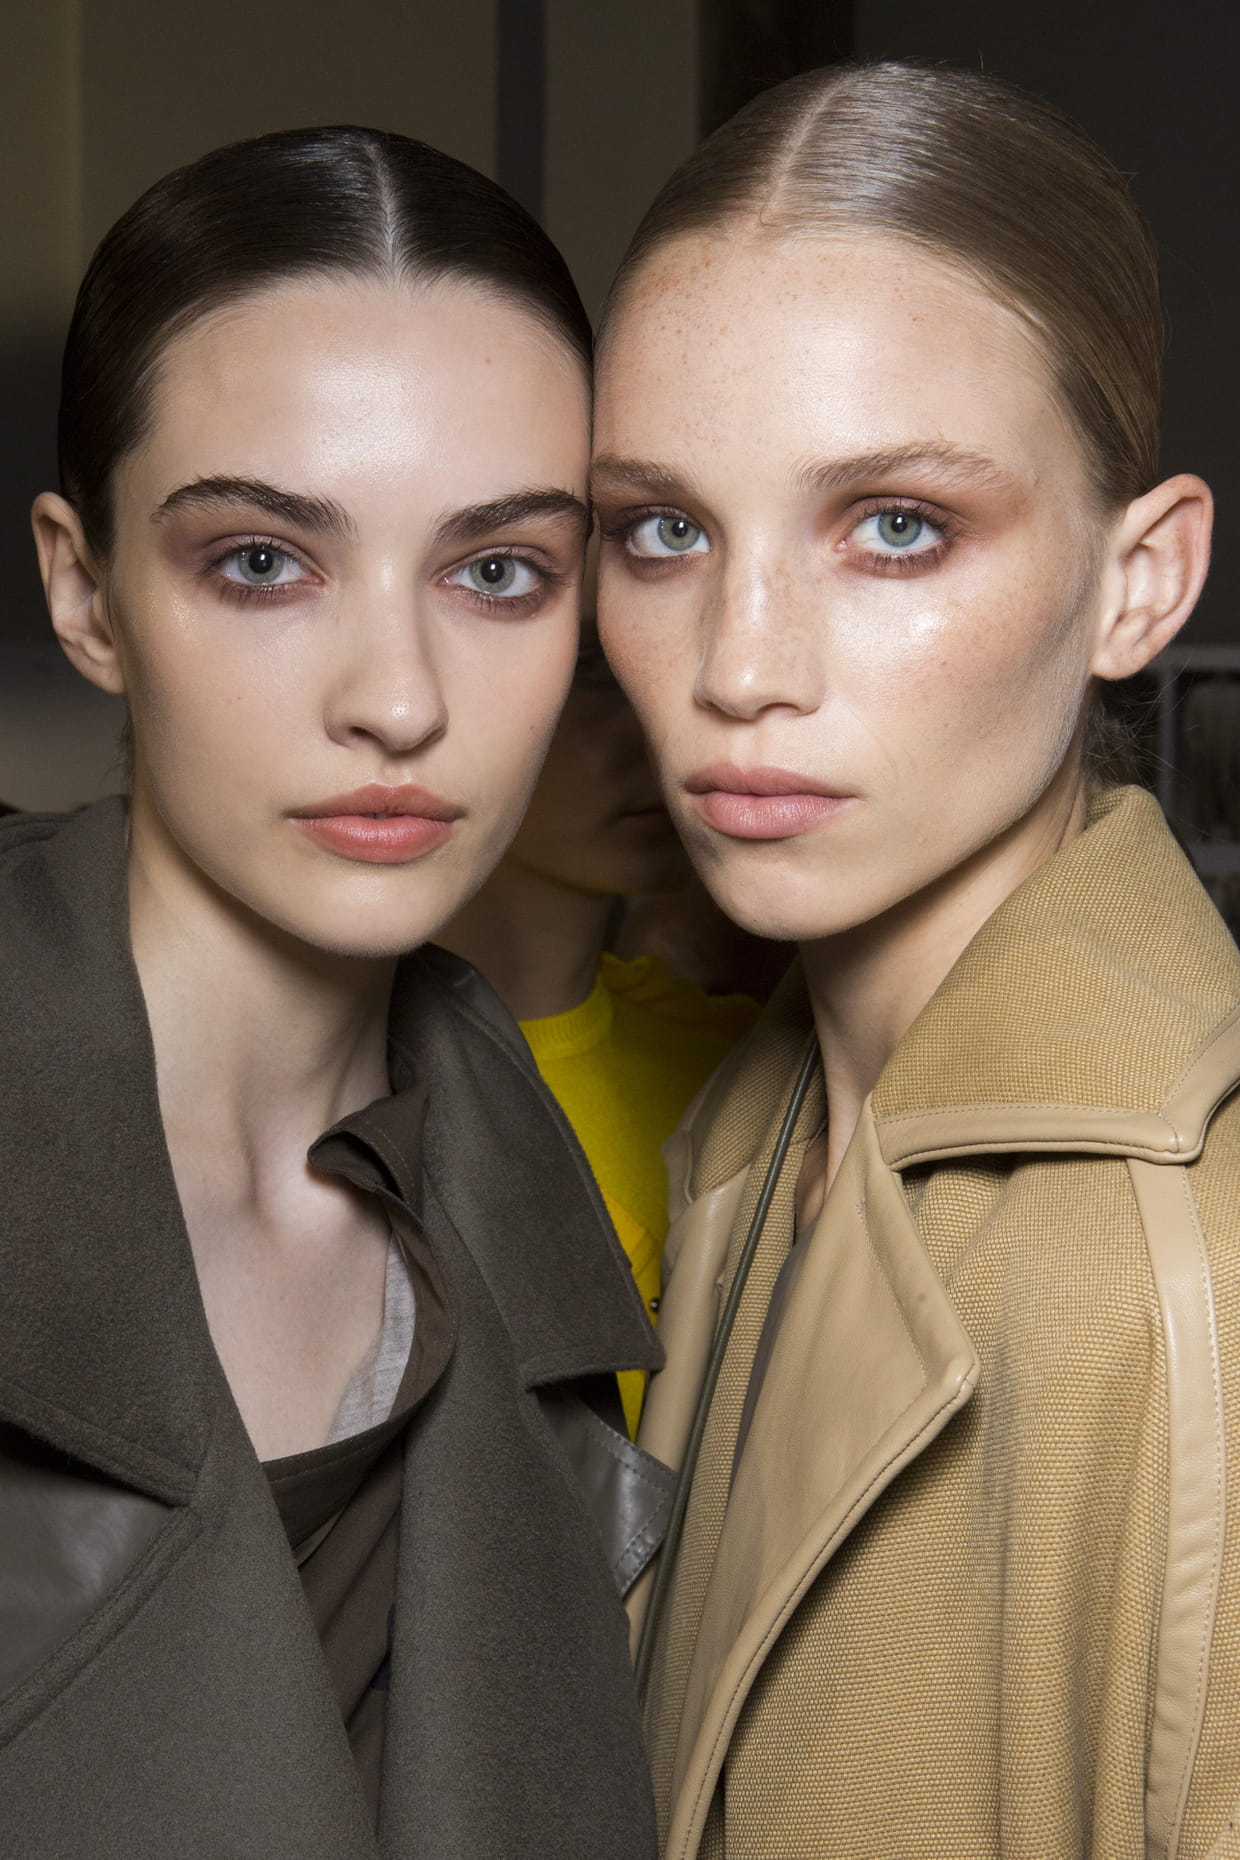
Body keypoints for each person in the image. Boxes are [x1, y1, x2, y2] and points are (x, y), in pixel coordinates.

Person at [592, 61, 1238, 1859]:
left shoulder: (1200, 1274)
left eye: (896, 527)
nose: (739, 665)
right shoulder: (757, 1127)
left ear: (1139, 582)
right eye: (663, 530)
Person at [0, 126, 666, 1858]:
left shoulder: (527, 1217)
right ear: (84, 590)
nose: (398, 697)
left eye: (497, 571)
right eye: (262, 562)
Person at [442, 588, 758, 1434]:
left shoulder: (748, 1068)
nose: (660, 724)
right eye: (590, 670)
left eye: (669, 663)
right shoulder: (345, 1095)